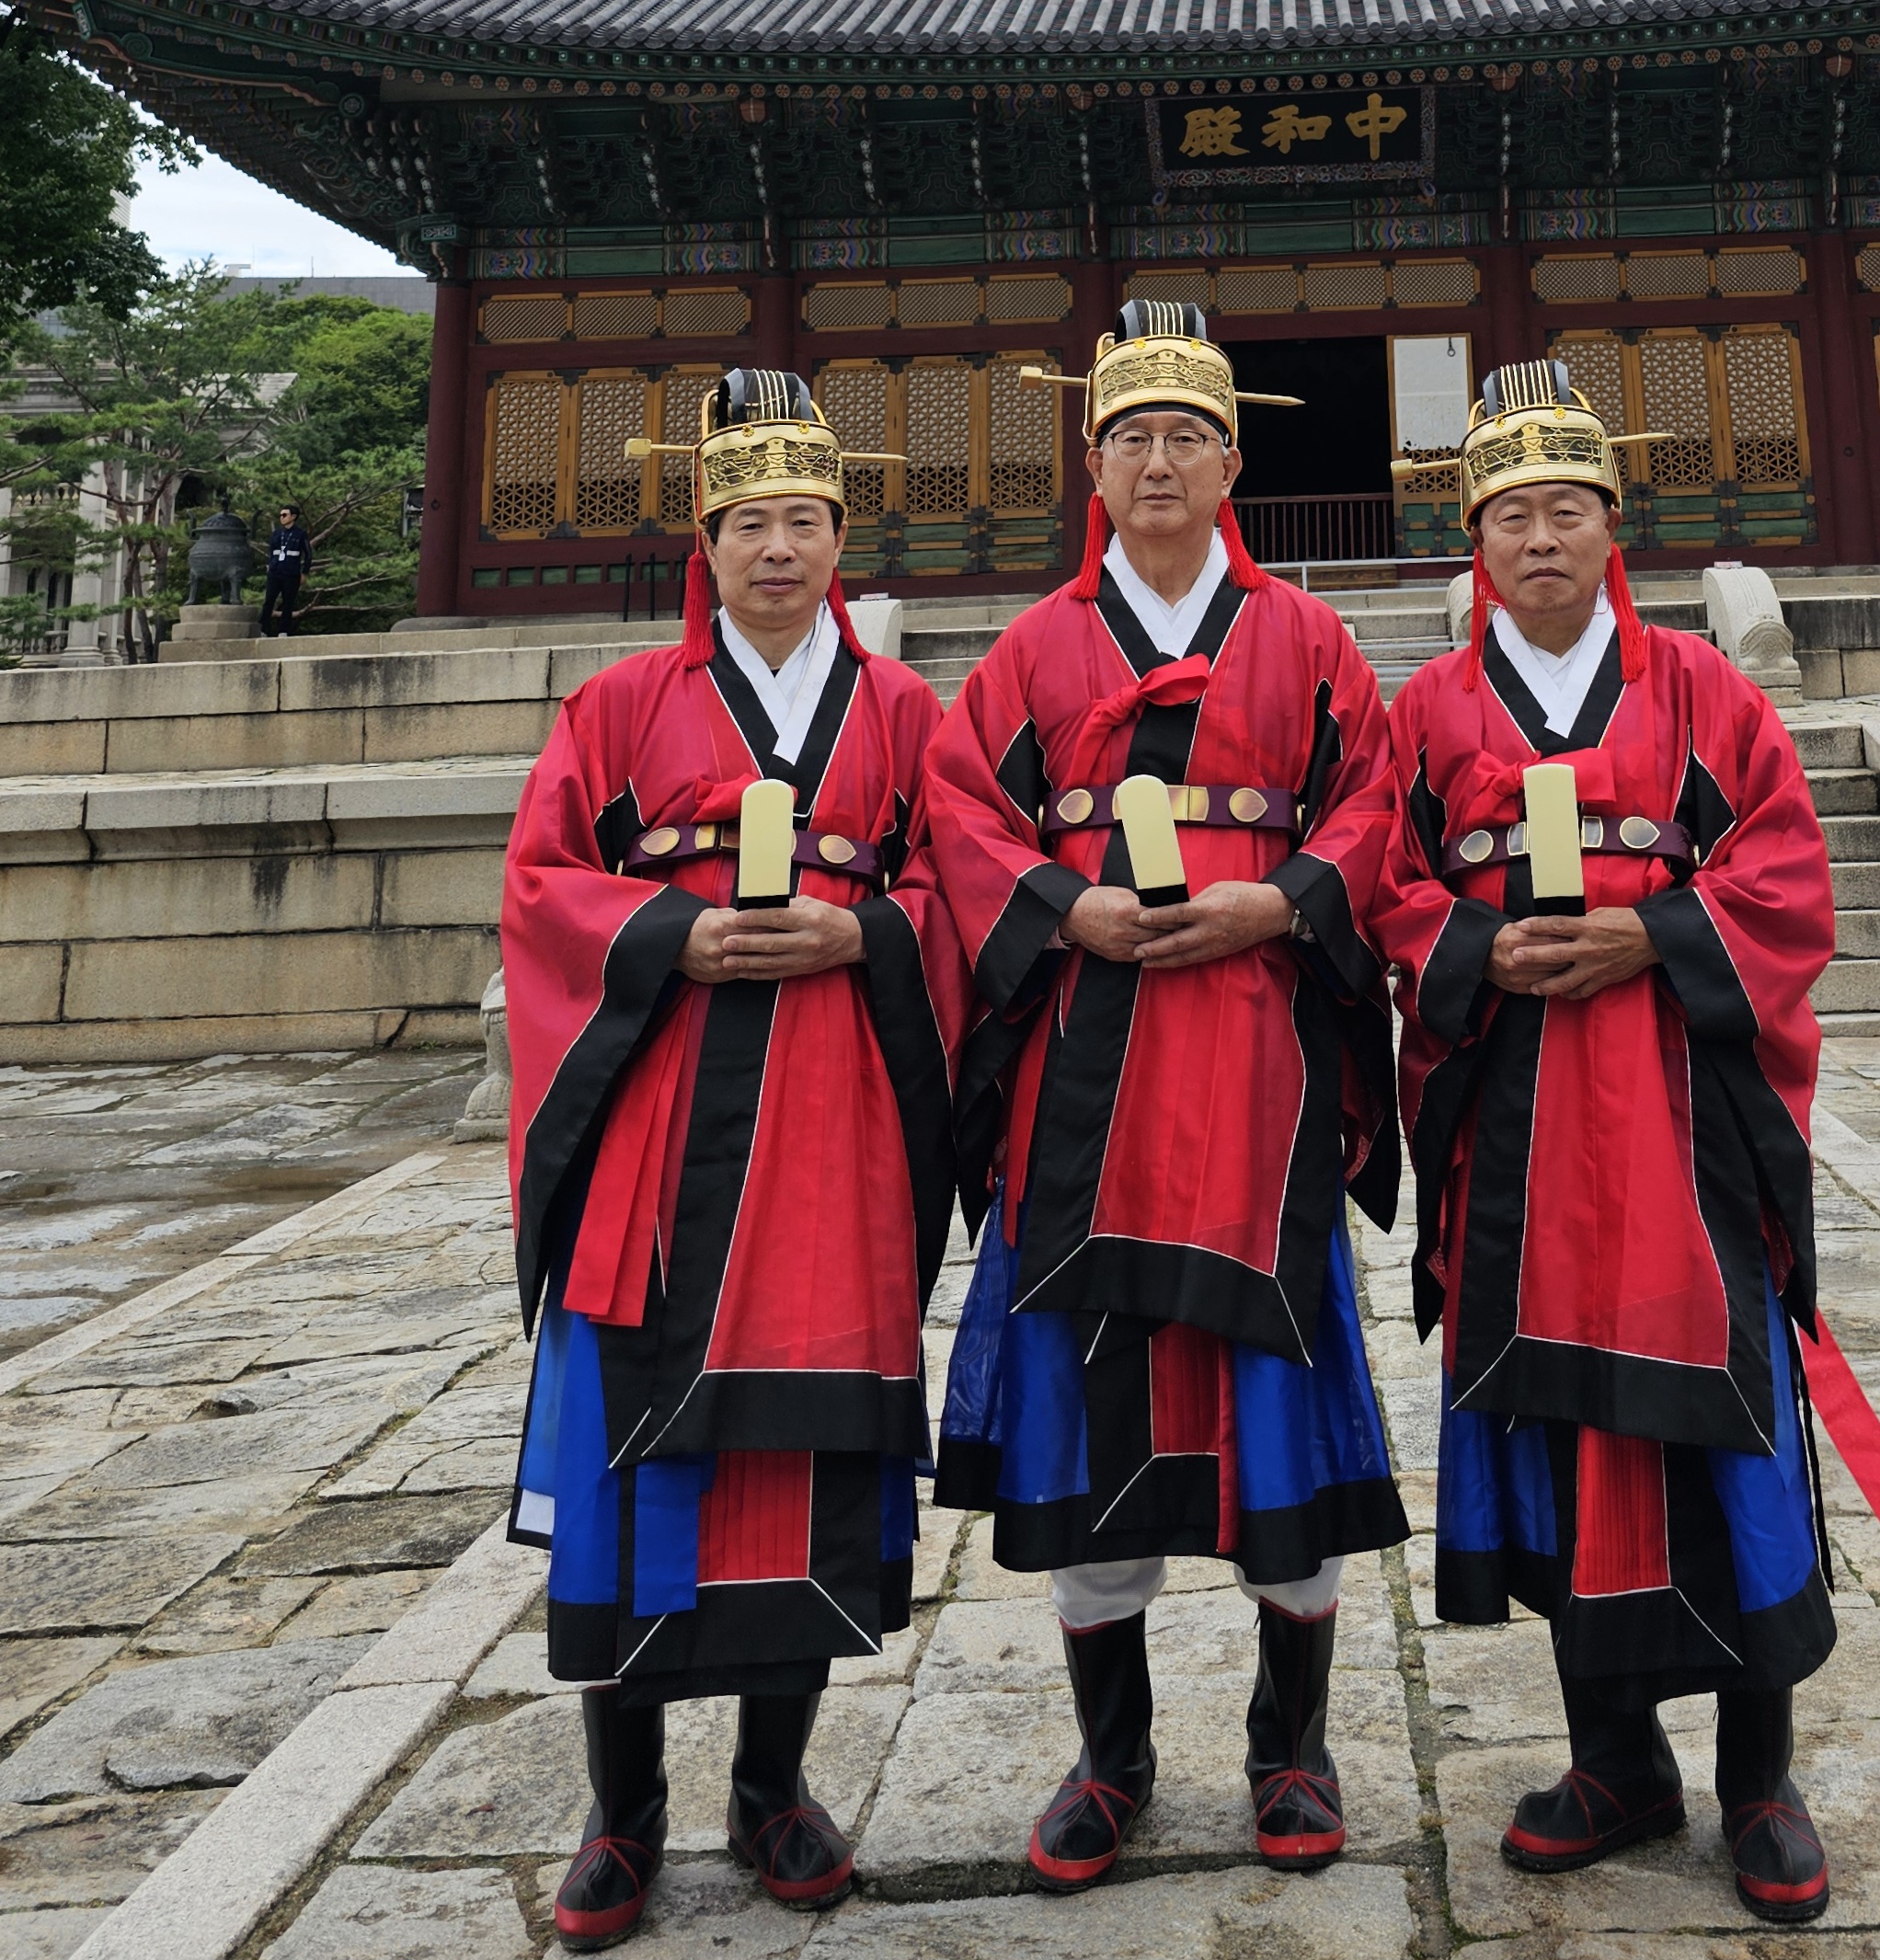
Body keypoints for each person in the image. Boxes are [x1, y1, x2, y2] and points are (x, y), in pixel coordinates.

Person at [1370, 362, 1880, 1926]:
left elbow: (1786, 875)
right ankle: (1615, 1759)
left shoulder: (1703, 687)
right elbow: (1386, 885)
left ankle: (1759, 1775)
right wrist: (1476, 947)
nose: (1539, 537)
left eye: (1567, 508)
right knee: (1556, 1428)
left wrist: (1649, 935)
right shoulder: (1426, 711)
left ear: (1614, 523)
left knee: (1723, 1419)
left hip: (1685, 1118)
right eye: (1510, 514)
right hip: (1516, 1130)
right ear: (1474, 539)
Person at [924, 303, 1406, 1888]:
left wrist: (1281, 901)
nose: (1156, 461)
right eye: (1129, 436)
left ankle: (1291, 1745)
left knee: (1278, 1416)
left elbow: (1375, 800)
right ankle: (1111, 1755)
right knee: (1092, 1411)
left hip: (1258, 1057)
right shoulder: (1031, 648)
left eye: (1185, 436)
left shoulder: (1310, 638)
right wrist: (1066, 906)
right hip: (1086, 1072)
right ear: (1092, 464)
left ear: (1232, 464)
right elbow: (958, 811)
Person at [498, 372, 964, 1947]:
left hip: (833, 1122)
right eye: (750, 520)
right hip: (659, 1123)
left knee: (806, 1454)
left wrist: (865, 930)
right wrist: (669, 932)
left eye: (805, 520)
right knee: (634, 1454)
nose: (778, 547)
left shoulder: (905, 716)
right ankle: (621, 1810)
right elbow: (541, 883)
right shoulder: (618, 704)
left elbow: (960, 895)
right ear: (705, 540)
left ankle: (775, 1786)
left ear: (842, 537)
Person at [258, 504, 310, 636]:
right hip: (275, 571)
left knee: (288, 602)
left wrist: (304, 572)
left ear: (293, 517)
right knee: (269, 600)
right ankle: (263, 630)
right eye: (281, 515)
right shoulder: (277, 533)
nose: (281, 517)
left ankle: (283, 630)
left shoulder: (300, 534)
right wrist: (270, 566)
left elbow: (308, 554)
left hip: (291, 573)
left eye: (284, 515)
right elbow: (271, 552)